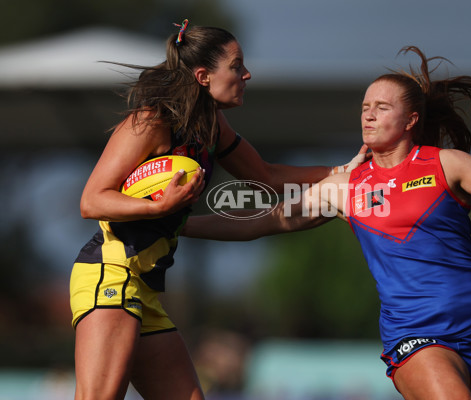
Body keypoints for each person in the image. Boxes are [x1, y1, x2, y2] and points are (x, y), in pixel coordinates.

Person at [182, 46, 471, 400]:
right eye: (365, 107)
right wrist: (180, 224)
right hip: (416, 331)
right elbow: (259, 223)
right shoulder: (345, 186)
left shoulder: (445, 164)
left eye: (382, 107)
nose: (368, 113)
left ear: (410, 119)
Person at [70, 20, 367, 400]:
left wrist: (344, 171)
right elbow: (91, 200)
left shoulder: (212, 126)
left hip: (143, 290)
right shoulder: (151, 121)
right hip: (109, 277)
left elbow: (266, 175)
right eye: (236, 65)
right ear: (203, 76)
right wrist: (159, 207)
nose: (247, 73)